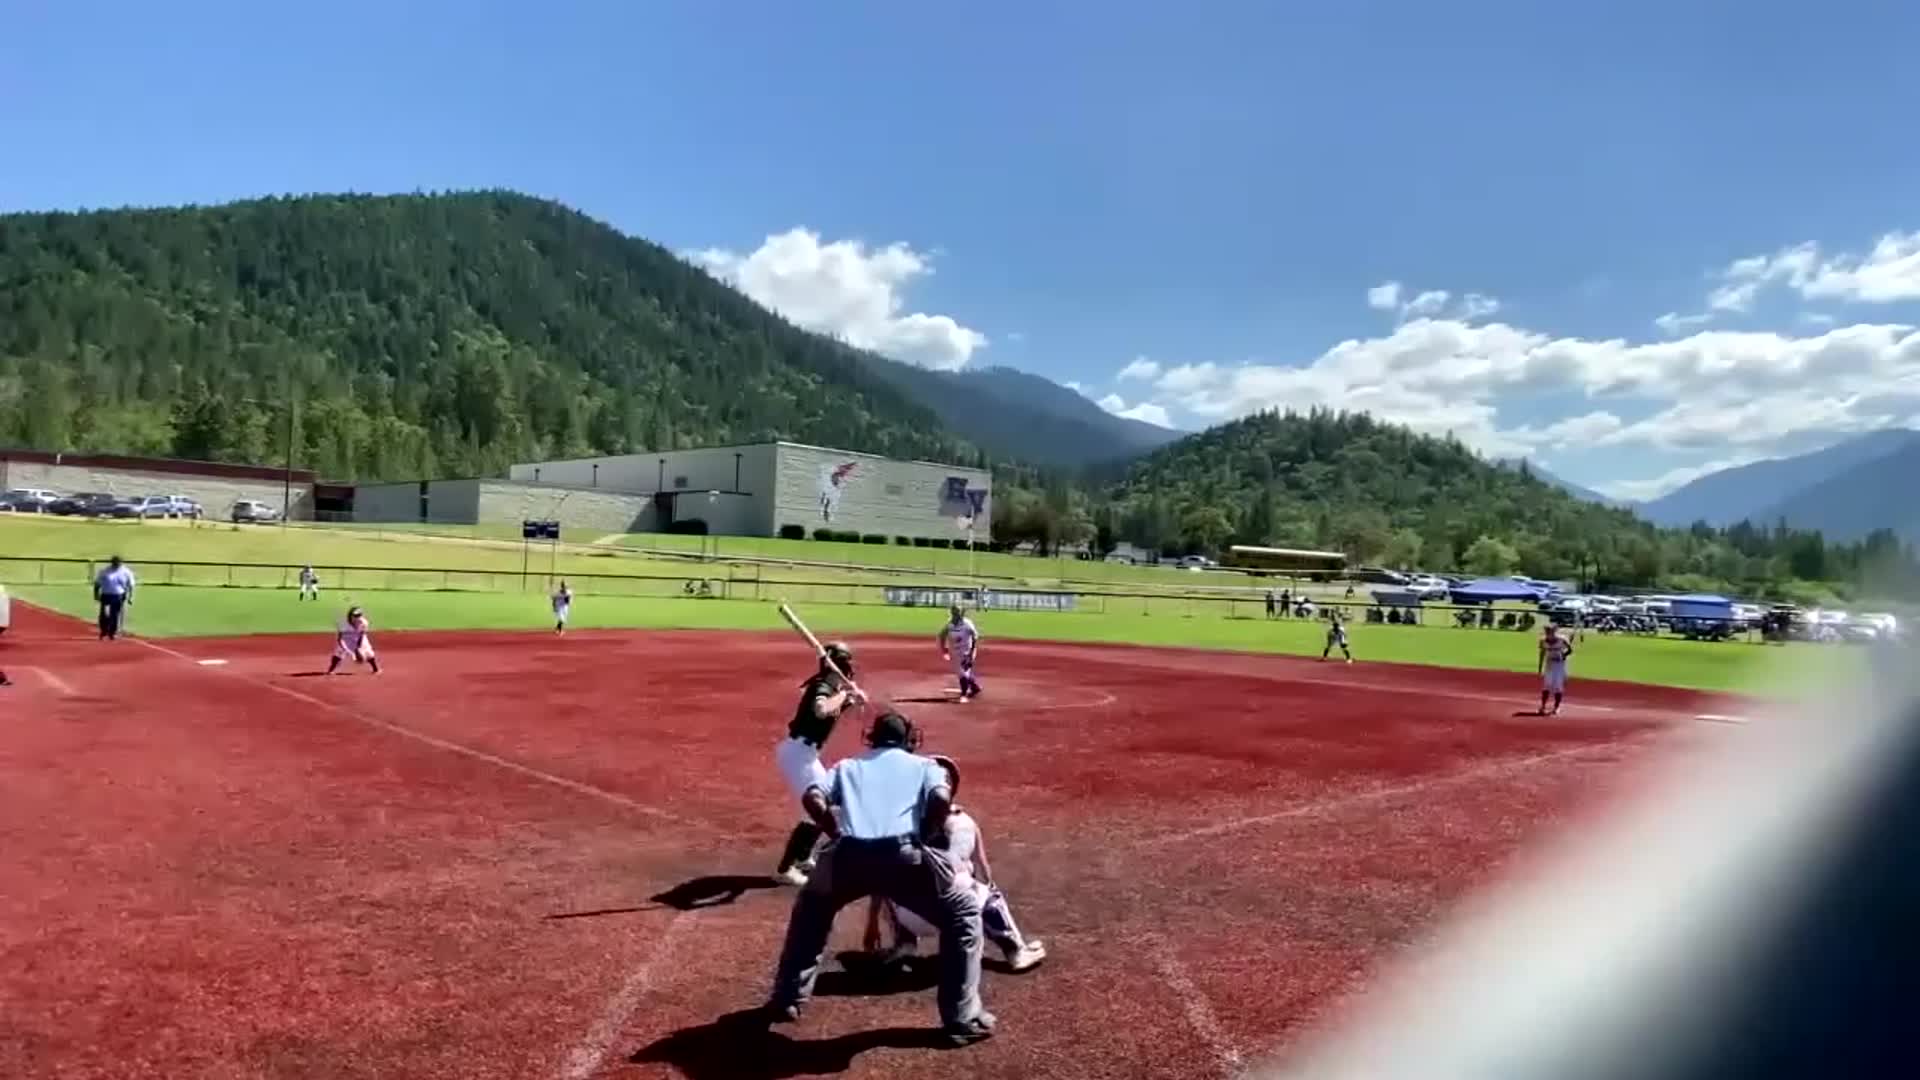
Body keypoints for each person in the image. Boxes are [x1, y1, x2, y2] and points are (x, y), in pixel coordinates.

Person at [765, 711, 995, 1046]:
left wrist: (835, 831)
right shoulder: (926, 766)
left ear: (871, 737)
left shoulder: (847, 767)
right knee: (962, 914)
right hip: (902, 856)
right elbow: (941, 800)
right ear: (910, 739)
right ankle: (962, 1019)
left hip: (847, 856)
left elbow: (813, 798)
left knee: (811, 911)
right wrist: (925, 836)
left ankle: (787, 998)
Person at [861, 754, 1046, 973]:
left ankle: (905, 944)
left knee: (888, 881)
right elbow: (984, 874)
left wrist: (872, 923)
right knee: (989, 889)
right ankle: (1015, 950)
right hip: (960, 913)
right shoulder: (967, 822)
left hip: (914, 917)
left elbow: (877, 882)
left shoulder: (896, 825)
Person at [773, 642, 865, 886]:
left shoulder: (831, 686)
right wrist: (845, 694)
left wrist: (849, 701)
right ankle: (785, 869)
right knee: (817, 807)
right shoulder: (822, 686)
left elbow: (830, 711)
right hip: (797, 754)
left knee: (825, 805)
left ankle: (803, 856)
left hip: (805, 754)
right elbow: (821, 709)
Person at [938, 604, 982, 702]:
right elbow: (941, 635)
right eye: (953, 611)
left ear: (961, 613)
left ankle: (963, 695)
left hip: (967, 652)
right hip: (954, 653)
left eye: (957, 611)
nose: (955, 614)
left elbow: (975, 636)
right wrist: (944, 649)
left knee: (963, 674)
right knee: (962, 673)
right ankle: (975, 687)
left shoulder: (967, 624)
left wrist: (972, 652)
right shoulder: (949, 624)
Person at [327, 605, 380, 675]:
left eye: (359, 615)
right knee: (339, 652)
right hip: (346, 639)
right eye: (356, 616)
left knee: (368, 652)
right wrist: (347, 650)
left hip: (358, 638)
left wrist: (358, 648)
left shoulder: (363, 622)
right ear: (350, 616)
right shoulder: (342, 623)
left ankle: (376, 669)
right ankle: (331, 670)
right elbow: (340, 639)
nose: (358, 618)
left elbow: (361, 635)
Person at [93, 556, 136, 641]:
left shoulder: (126, 572)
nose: (116, 565)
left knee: (115, 615)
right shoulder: (104, 571)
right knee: (104, 614)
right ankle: (104, 630)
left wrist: (130, 597)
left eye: (118, 563)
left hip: (118, 596)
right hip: (106, 595)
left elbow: (131, 585)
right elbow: (97, 584)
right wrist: (96, 594)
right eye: (114, 563)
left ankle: (112, 633)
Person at [1539, 623, 1574, 715]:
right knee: (1546, 685)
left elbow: (1570, 650)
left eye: (1549, 631)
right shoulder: (1543, 641)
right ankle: (1543, 706)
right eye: (1546, 631)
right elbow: (1542, 653)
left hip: (1560, 665)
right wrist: (1540, 667)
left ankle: (1556, 707)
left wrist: (1563, 655)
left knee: (1558, 686)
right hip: (1549, 664)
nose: (1547, 632)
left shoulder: (1562, 640)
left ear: (1554, 631)